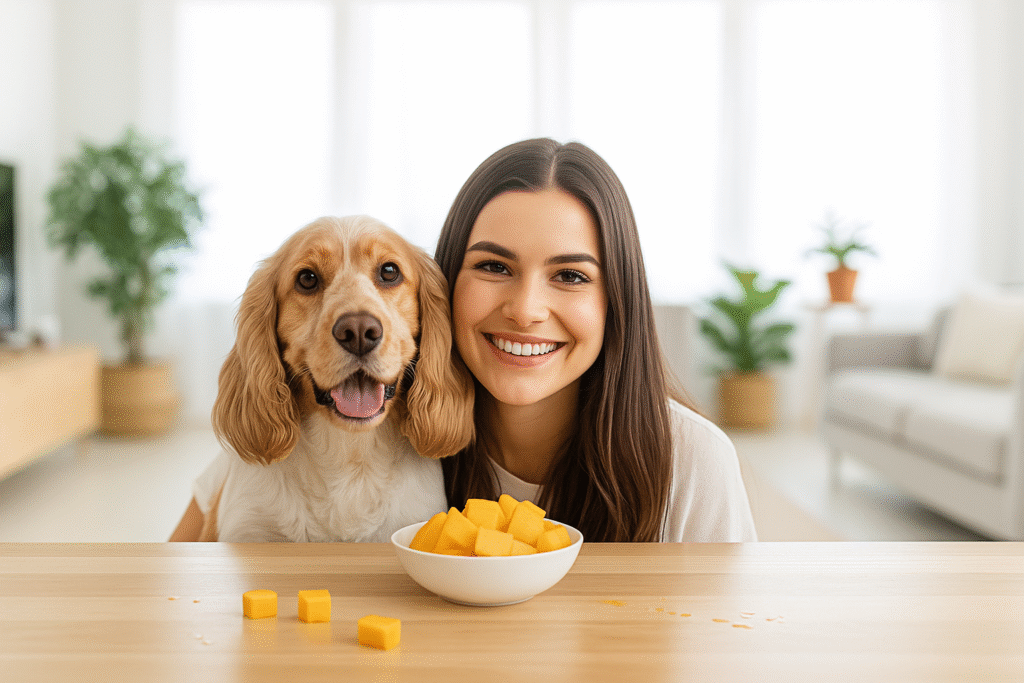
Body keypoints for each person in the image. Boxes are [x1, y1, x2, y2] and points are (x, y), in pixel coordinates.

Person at [434, 138, 757, 542]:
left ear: (615, 302)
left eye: (570, 276)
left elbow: (725, 608)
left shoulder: (695, 460)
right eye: (494, 266)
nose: (525, 309)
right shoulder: (389, 443)